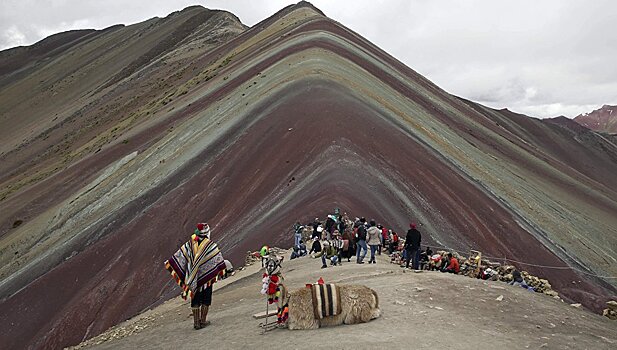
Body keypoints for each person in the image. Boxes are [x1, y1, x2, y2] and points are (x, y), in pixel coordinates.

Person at [164, 223, 226, 330]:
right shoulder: (211, 246)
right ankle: (203, 320)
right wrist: (221, 270)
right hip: (207, 278)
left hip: (193, 278)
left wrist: (171, 263)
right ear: (207, 233)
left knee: (195, 298)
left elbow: (181, 255)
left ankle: (196, 323)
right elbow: (217, 258)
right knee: (206, 298)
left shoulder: (190, 244)